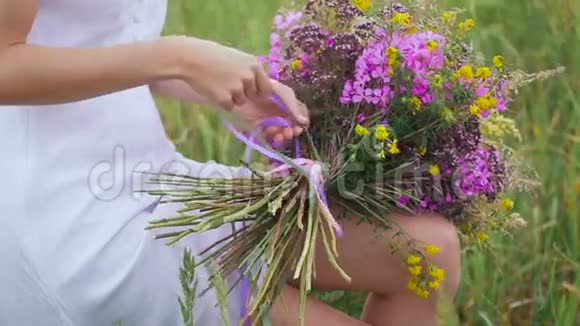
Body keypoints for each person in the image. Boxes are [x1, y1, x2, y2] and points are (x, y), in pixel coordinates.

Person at [0, 0, 461, 325]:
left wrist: (239, 91)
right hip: (67, 221)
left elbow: (109, 37)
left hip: (153, 180)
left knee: (430, 248)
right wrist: (177, 58)